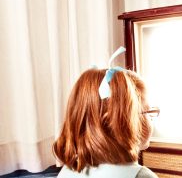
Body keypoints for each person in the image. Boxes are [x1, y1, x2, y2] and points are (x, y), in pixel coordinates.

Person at [53, 47, 159, 178]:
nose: (151, 118)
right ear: (125, 121)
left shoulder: (68, 171)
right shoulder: (140, 176)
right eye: (149, 112)